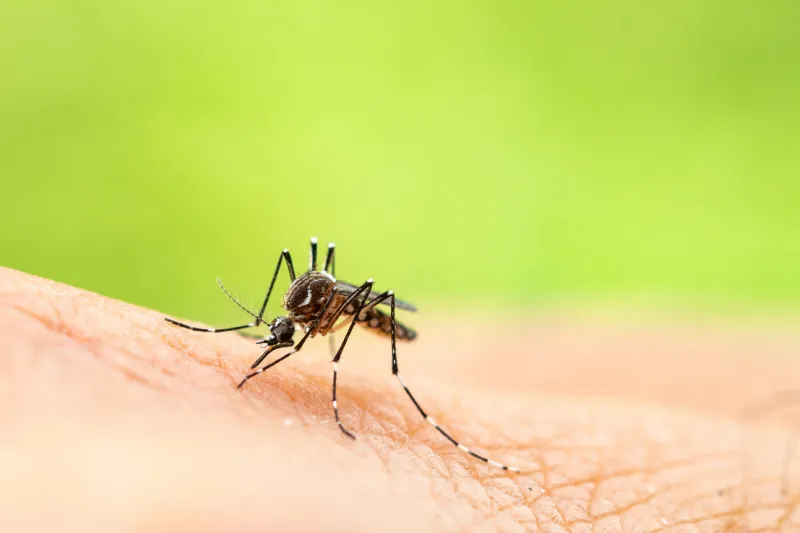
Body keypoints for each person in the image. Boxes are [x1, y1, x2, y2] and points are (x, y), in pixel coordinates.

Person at [1, 266, 798, 532]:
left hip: (371, 312)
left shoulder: (333, 308)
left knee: (339, 285)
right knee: (310, 266)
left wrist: (338, 392)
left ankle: (351, 400)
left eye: (288, 324)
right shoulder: (296, 304)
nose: (288, 330)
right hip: (335, 307)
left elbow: (338, 297)